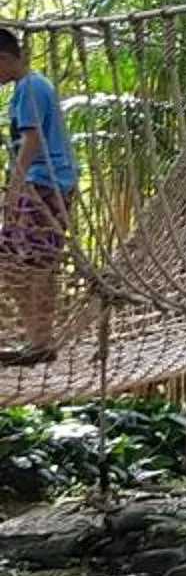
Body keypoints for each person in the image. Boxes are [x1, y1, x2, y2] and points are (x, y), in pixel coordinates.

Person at [0, 27, 78, 366]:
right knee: (16, 261)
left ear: (4, 59)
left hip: (45, 185)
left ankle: (40, 342)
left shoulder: (30, 87)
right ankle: (36, 339)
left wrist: (14, 190)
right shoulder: (30, 86)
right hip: (43, 184)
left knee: (35, 264)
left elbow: (32, 141)